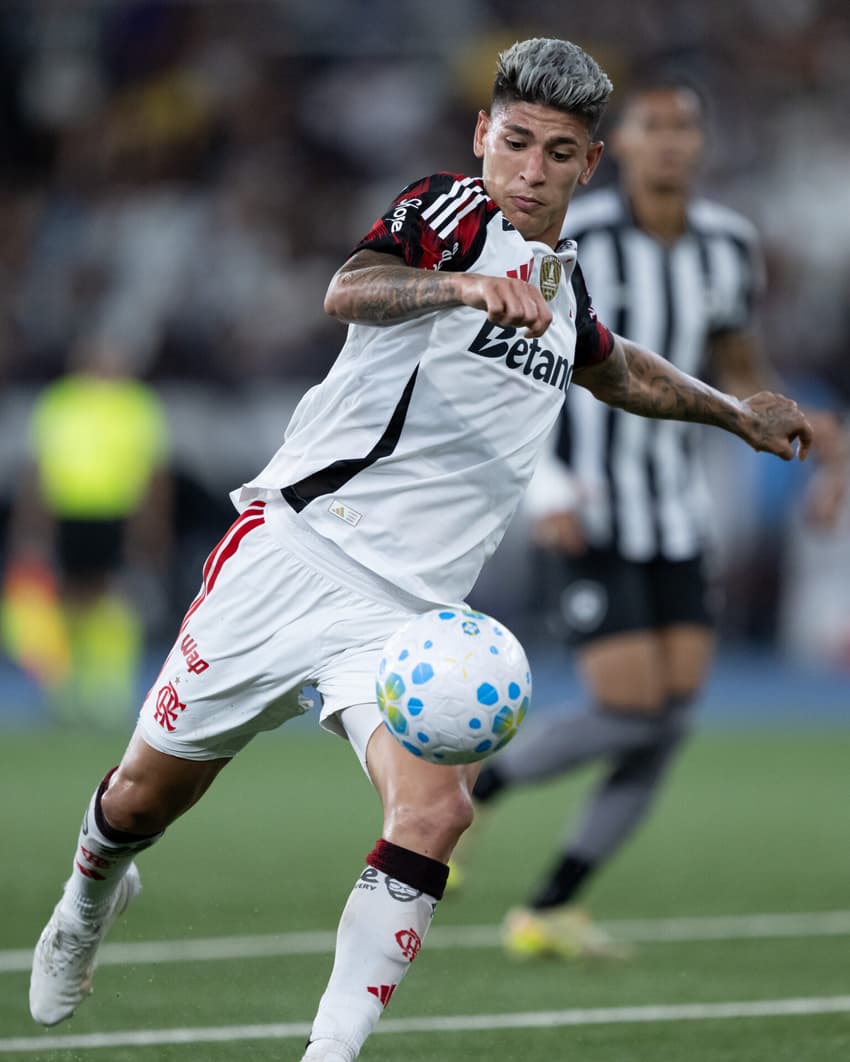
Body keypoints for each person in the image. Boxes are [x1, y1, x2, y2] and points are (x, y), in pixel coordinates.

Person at [29, 40, 813, 1062]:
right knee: (141, 799)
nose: (530, 169)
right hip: (294, 557)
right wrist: (455, 293)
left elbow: (617, 371)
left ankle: (330, 1054)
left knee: (437, 812)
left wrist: (731, 413)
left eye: (558, 152)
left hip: (407, 622)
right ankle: (88, 897)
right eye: (516, 141)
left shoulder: (561, 291)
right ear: (482, 135)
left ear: (589, 167)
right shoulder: (451, 216)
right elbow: (349, 288)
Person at [456, 74, 832, 960]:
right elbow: (524, 363)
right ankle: (468, 790)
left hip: (679, 512)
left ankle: (550, 906)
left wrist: (787, 422)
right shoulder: (574, 238)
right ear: (614, 146)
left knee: (671, 715)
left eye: (684, 127)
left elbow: (737, 357)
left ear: (700, 143)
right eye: (651, 127)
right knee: (632, 709)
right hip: (590, 505)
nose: (670, 141)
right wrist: (546, 487)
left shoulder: (729, 243)